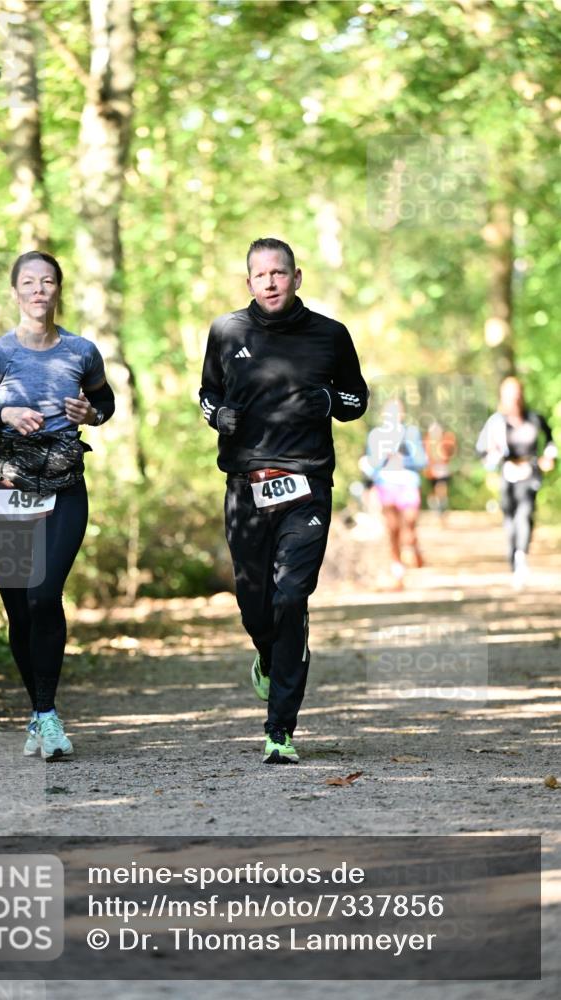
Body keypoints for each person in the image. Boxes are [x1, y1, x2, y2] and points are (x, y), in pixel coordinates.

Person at [199, 237, 368, 764]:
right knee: (256, 608)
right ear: (248, 281)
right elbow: (206, 394)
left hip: (306, 485)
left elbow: (356, 400)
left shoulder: (330, 335)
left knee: (291, 596)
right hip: (245, 486)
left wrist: (326, 399)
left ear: (297, 278)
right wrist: (218, 416)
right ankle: (268, 659)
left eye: (279, 273)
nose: (270, 282)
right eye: (261, 274)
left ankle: (280, 729)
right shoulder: (227, 332)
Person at [0, 251, 115, 760]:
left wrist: (91, 413)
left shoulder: (82, 351)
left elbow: (105, 403)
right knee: (20, 611)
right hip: (7, 490)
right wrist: (1, 416)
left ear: (58, 289)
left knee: (44, 596)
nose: (38, 290)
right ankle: (39, 713)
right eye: (28, 282)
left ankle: (47, 714)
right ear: (16, 293)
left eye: (47, 281)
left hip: (64, 490)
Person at [476, 376, 556, 588]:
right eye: (509, 395)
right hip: (508, 475)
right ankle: (513, 556)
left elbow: (550, 442)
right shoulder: (496, 422)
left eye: (516, 394)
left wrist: (549, 457)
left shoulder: (534, 418)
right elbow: (481, 450)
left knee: (525, 514)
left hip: (530, 474)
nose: (514, 399)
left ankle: (521, 556)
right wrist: (491, 455)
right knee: (510, 520)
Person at [361, 399, 427, 589]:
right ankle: (398, 571)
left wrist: (404, 455)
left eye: (398, 412)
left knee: (410, 525)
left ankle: (414, 546)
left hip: (408, 483)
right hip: (386, 484)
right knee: (393, 529)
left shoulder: (411, 432)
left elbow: (421, 461)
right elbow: (371, 465)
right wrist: (384, 455)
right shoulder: (375, 435)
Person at [423, 420, 457, 516]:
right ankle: (436, 508)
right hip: (432, 471)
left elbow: (451, 450)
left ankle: (441, 509)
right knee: (434, 491)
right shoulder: (428, 441)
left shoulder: (445, 439)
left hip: (442, 470)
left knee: (441, 488)